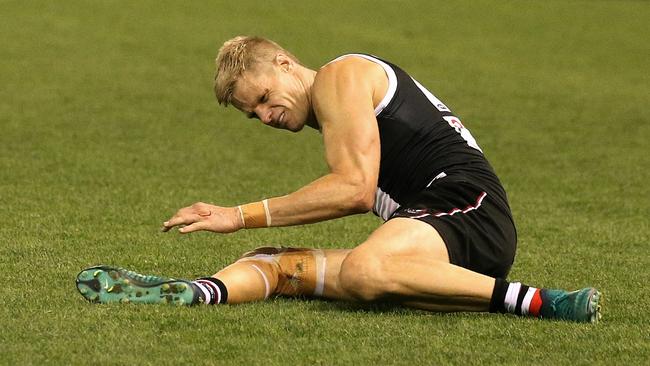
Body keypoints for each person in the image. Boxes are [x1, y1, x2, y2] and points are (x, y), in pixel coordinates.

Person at [76, 36, 601, 322]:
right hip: (429, 237)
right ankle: (196, 293)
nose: (264, 117)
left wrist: (235, 215)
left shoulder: (339, 76)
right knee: (276, 265)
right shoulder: (331, 108)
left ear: (285, 62)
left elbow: (352, 188)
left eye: (262, 98)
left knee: (367, 268)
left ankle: (541, 301)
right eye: (251, 115)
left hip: (468, 209)